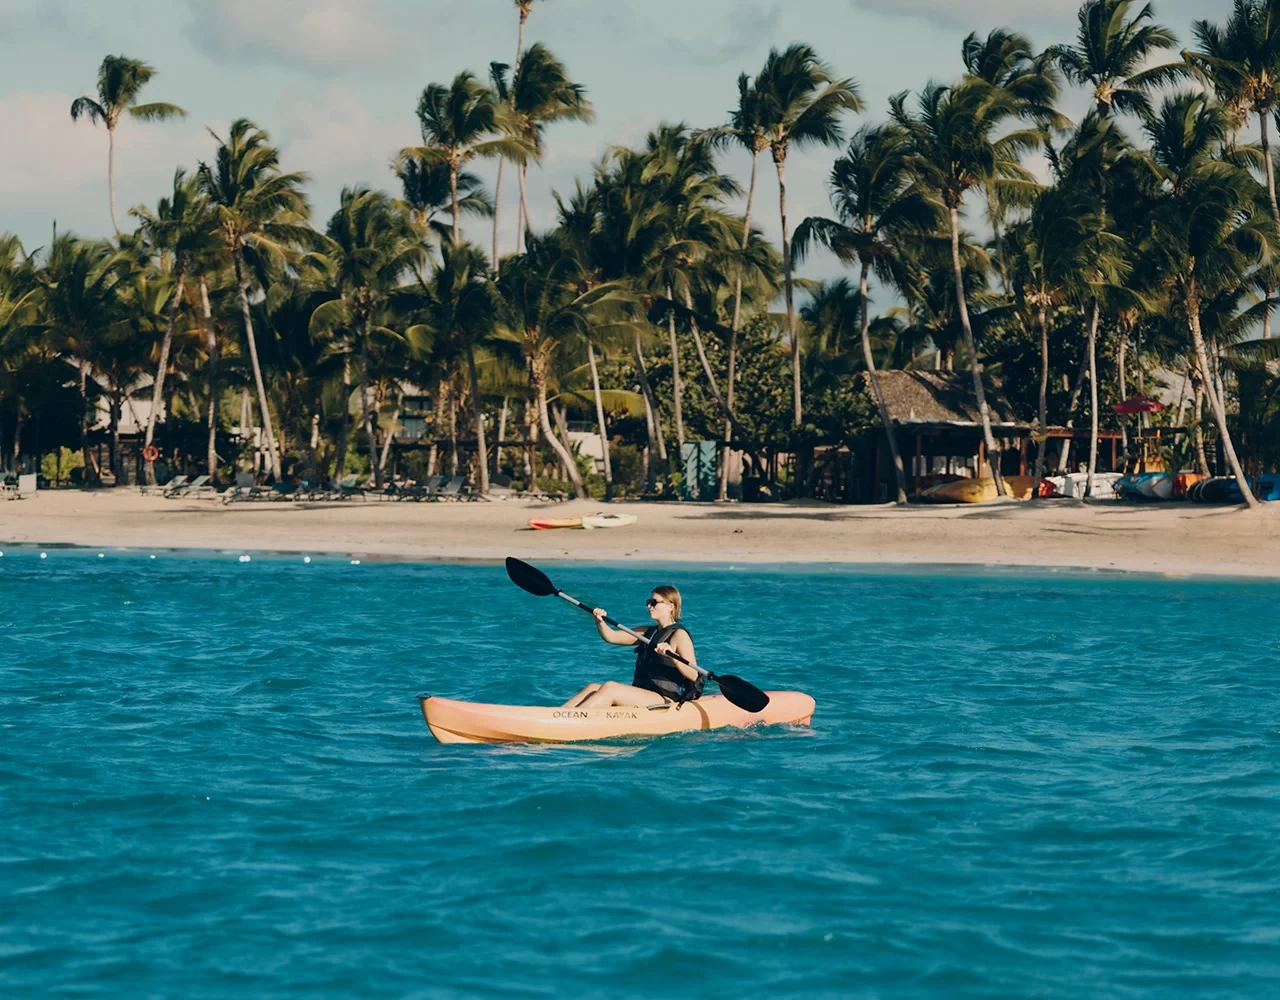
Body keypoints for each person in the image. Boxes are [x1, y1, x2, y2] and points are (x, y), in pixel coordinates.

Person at [562, 585, 703, 708]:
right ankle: (559, 714)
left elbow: (693, 674)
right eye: (648, 602)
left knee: (610, 687)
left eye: (654, 602)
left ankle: (571, 721)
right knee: (593, 688)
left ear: (671, 606)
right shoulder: (646, 632)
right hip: (642, 692)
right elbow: (611, 637)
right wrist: (600, 622)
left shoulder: (679, 635)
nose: (649, 606)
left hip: (664, 697)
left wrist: (673, 656)